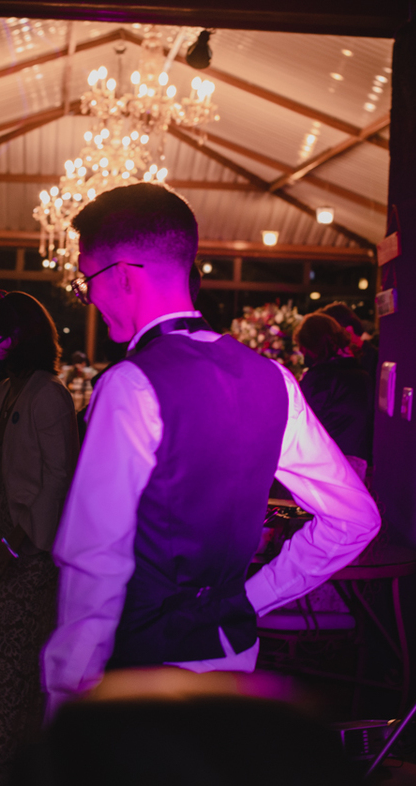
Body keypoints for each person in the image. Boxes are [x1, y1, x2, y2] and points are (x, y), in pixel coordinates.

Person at [41, 183, 381, 716]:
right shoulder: (274, 379)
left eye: (87, 280)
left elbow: (95, 562)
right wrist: (253, 597)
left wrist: (64, 698)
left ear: (122, 275)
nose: (88, 297)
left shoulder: (130, 385)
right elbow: (355, 519)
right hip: (233, 657)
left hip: (137, 670)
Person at [0, 281, 78, 786]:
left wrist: (19, 540)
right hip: (2, 545)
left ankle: (13, 774)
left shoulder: (48, 394)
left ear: (18, 337)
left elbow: (60, 478)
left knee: (9, 666)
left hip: (32, 551)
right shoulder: (5, 389)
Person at [295, 313, 374, 479]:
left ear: (311, 347)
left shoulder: (319, 380)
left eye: (303, 348)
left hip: (326, 467)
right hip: (358, 467)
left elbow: (302, 426)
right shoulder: (363, 375)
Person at [319, 301, 378, 381]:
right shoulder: (345, 359)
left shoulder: (372, 358)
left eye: (333, 332)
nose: (331, 339)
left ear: (348, 329)